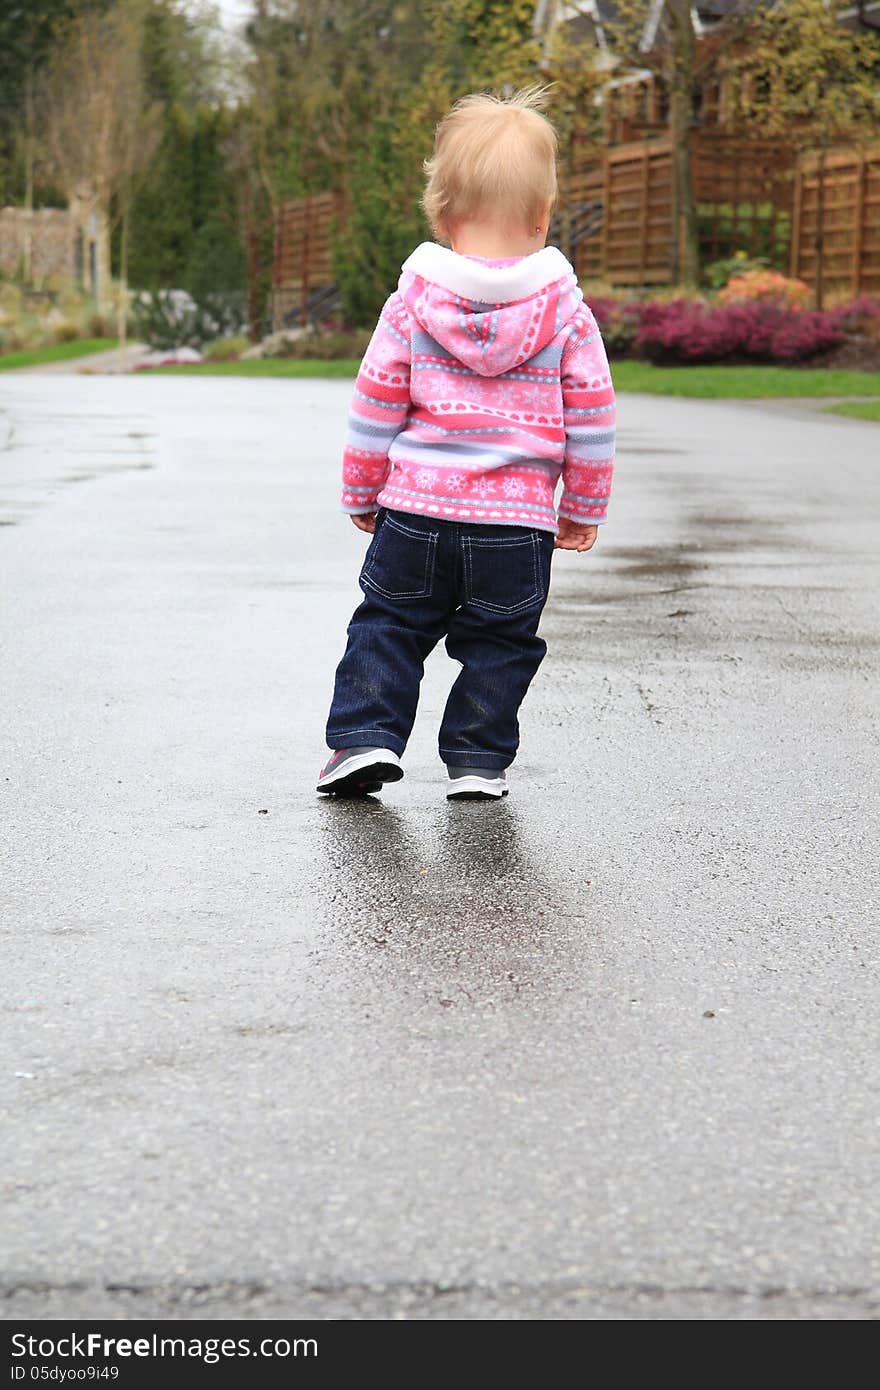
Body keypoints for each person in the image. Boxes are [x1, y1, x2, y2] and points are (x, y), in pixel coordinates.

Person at [317, 87, 616, 801]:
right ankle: (478, 760)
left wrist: (362, 490)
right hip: (515, 526)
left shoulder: (412, 303)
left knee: (389, 623)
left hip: (416, 511)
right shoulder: (567, 313)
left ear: (443, 215)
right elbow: (594, 415)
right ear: (543, 217)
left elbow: (375, 401)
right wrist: (582, 504)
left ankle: (364, 739)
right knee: (501, 644)